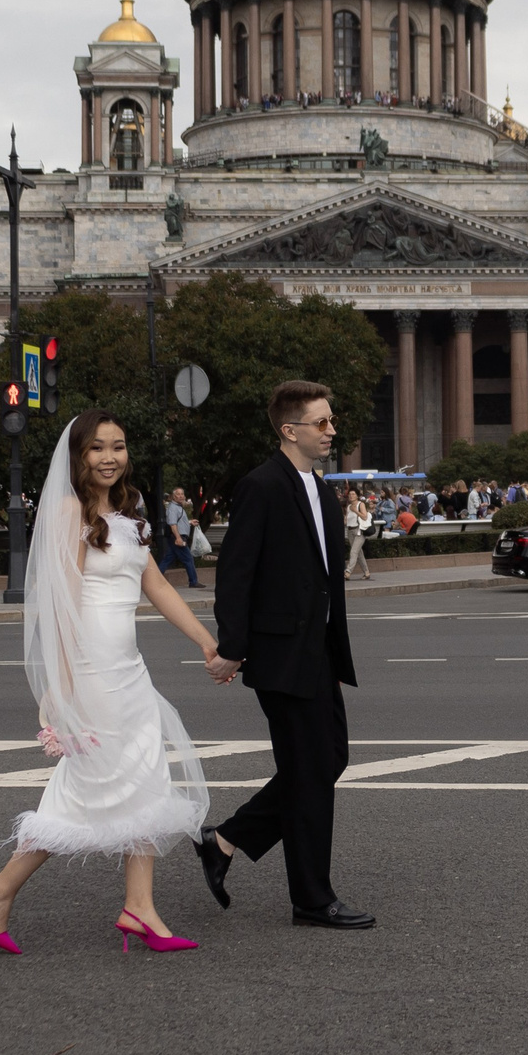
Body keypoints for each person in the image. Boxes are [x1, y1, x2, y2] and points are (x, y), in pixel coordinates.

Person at [0, 411, 225, 957]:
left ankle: (140, 907)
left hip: (128, 670)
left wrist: (205, 639)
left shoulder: (128, 514)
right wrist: (58, 695)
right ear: (78, 456)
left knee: (146, 780)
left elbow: (154, 584)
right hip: (91, 675)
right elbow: (61, 612)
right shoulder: (68, 513)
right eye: (98, 448)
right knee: (86, 791)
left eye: (120, 447)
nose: (110, 457)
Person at [192, 380, 373, 930]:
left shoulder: (319, 488)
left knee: (325, 762)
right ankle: (312, 899)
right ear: (289, 430)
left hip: (316, 652)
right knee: (312, 771)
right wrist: (232, 649)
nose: (332, 430)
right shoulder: (262, 486)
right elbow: (237, 573)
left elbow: (321, 579)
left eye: (331, 420)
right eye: (322, 422)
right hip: (278, 655)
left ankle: (225, 841)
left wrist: (332, 653)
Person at [343, 489, 371, 580]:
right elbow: (346, 520)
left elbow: (364, 516)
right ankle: (366, 572)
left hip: (359, 531)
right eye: (350, 494)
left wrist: (355, 511)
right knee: (359, 553)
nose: (351, 496)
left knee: (353, 552)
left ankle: (348, 571)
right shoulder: (349, 506)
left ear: (357, 496)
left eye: (353, 494)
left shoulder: (360, 504)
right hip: (350, 531)